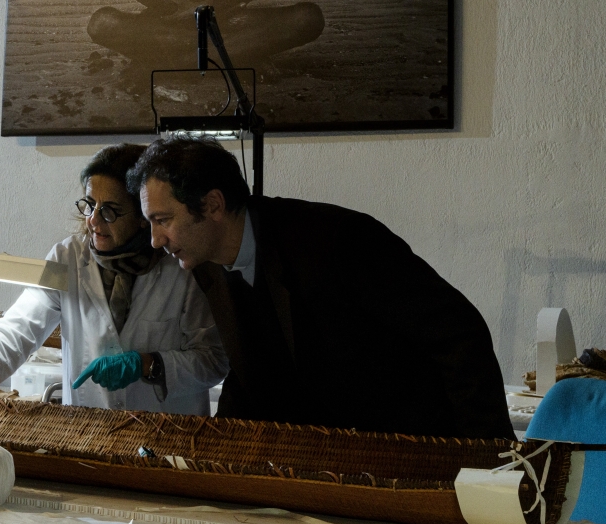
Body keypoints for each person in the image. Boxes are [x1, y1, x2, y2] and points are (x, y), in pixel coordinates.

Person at [127, 135, 514, 439]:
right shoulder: (205, 260)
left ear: (213, 205)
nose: (156, 240)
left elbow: (460, 333)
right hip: (331, 458)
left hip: (414, 442)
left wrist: (489, 458)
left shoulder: (334, 240)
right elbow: (250, 373)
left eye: (163, 220)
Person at [0, 144, 228, 422]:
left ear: (143, 215)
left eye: (110, 211)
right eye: (89, 205)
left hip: (169, 439)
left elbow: (214, 361)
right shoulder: (69, 258)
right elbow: (18, 329)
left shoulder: (181, 265)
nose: (93, 220)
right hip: (85, 431)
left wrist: (149, 365)